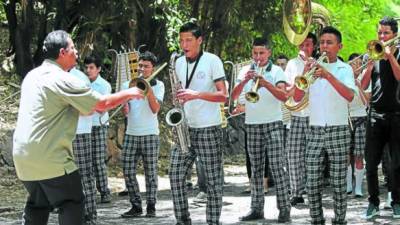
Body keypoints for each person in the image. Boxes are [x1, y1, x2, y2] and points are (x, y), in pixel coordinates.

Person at [12, 30, 143, 225]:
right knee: (72, 202)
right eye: (73, 48)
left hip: (23, 160)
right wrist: (131, 92)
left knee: (38, 204)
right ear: (63, 52)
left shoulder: (32, 76)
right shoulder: (63, 78)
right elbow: (102, 104)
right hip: (51, 158)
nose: (77, 53)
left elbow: (67, 109)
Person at [293, 26, 355, 225]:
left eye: (329, 43)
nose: (324, 47)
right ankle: (316, 220)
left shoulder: (344, 69)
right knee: (312, 183)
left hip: (338, 129)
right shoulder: (311, 69)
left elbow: (349, 95)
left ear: (339, 46)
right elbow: (296, 97)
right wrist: (304, 73)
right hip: (315, 129)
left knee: (338, 183)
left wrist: (327, 75)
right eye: (322, 43)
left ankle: (339, 220)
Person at [168, 22, 227, 225]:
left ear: (200, 40)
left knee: (212, 180)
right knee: (175, 175)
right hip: (185, 128)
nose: (184, 44)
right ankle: (183, 220)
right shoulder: (177, 62)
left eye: (189, 40)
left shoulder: (212, 61)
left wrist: (196, 95)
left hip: (208, 128)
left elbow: (223, 96)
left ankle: (213, 221)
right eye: (181, 40)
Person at [231, 37, 291, 222]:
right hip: (252, 124)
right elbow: (232, 97)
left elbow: (283, 96)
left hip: (273, 124)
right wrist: (243, 82)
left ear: (269, 53)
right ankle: (256, 208)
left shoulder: (277, 71)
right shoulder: (244, 70)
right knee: (255, 169)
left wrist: (265, 83)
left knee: (277, 167)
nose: (258, 57)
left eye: (262, 53)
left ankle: (284, 209)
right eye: (255, 53)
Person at [361, 16, 400, 219]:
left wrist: (391, 56)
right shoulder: (373, 54)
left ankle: (397, 202)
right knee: (371, 162)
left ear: (394, 35)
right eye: (380, 33)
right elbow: (364, 84)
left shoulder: (399, 52)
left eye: (386, 33)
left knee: (396, 164)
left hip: (396, 115)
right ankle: (373, 202)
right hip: (375, 114)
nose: (382, 36)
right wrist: (369, 65)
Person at [120, 51, 165, 218]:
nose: (142, 69)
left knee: (150, 172)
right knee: (127, 168)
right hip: (131, 133)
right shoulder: (128, 85)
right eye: (140, 65)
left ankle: (151, 206)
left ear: (153, 68)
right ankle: (136, 205)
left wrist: (148, 88)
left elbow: (155, 109)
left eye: (146, 66)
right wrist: (124, 102)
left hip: (150, 134)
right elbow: (126, 112)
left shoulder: (158, 85)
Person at [285, 32, 317, 206]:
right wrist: (304, 72)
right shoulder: (292, 64)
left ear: (314, 46)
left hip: (314, 116)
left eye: (309, 44)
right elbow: (289, 89)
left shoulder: (321, 63)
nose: (305, 48)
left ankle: (312, 190)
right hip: (297, 115)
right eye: (302, 45)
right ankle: (296, 191)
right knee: (293, 154)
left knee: (312, 157)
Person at [70, 68, 98, 225]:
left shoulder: (79, 78)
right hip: (63, 133)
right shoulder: (57, 75)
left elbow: (89, 108)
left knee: (84, 174)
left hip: (79, 132)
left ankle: (89, 215)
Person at [84, 55, 113, 203]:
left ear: (99, 69)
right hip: (84, 126)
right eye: (86, 68)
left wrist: (86, 104)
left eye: (91, 68)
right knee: (85, 161)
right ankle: (88, 193)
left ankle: (104, 191)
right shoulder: (81, 82)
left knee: (98, 160)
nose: (88, 71)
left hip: (99, 125)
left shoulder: (104, 85)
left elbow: (104, 108)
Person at [346, 53, 370, 198]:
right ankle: (349, 185)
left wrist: (359, 86)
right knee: (346, 155)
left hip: (361, 118)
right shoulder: (343, 79)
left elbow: (367, 102)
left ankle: (359, 187)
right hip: (346, 119)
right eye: (352, 64)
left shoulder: (365, 79)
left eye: (357, 64)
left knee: (359, 155)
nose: (354, 66)